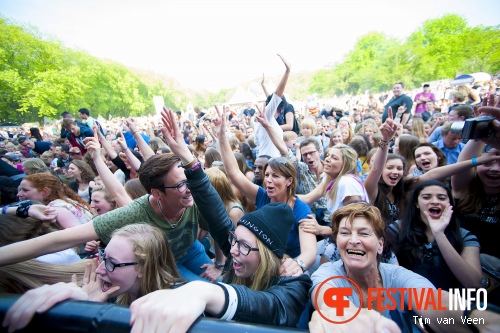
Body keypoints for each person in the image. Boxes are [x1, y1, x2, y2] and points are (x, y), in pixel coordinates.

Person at [125, 109, 311, 329]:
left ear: (265, 251)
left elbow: (270, 305)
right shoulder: (239, 250)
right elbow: (216, 214)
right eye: (233, 240)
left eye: (243, 246)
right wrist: (186, 157)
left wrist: (207, 292)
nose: (231, 250)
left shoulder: (294, 282)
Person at [311, 202, 481, 333]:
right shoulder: (327, 274)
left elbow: (433, 302)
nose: (353, 240)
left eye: (364, 233)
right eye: (345, 233)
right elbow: (328, 300)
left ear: (380, 245)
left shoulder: (398, 276)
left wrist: (476, 318)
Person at [2, 223, 183, 332]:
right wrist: (86, 310)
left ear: (143, 268)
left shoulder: (176, 307)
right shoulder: (114, 295)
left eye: (112, 262)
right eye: (103, 256)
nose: (99, 270)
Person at [216, 104, 317, 272]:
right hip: (262, 266)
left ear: (289, 181)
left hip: (288, 270)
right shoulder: (262, 196)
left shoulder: (300, 208)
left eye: (275, 176)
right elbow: (234, 173)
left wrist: (295, 266)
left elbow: (310, 252)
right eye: (267, 175)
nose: (268, 180)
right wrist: (221, 135)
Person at [395, 180, 482, 289]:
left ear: (449, 203)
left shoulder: (464, 235)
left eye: (441, 198)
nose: (435, 201)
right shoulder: (397, 229)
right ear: (416, 203)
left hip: (452, 302)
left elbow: (472, 282)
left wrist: (439, 234)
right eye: (426, 197)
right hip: (410, 300)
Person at [16, 173, 93, 228]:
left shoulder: (55, 210)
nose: (19, 194)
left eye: (25, 190)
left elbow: (79, 236)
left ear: (45, 191)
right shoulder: (65, 201)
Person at [255, 54, 291, 157]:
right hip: (269, 162)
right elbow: (276, 97)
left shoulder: (264, 122)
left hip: (267, 160)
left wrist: (263, 86)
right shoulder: (267, 116)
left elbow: (271, 98)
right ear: (282, 108)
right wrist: (287, 71)